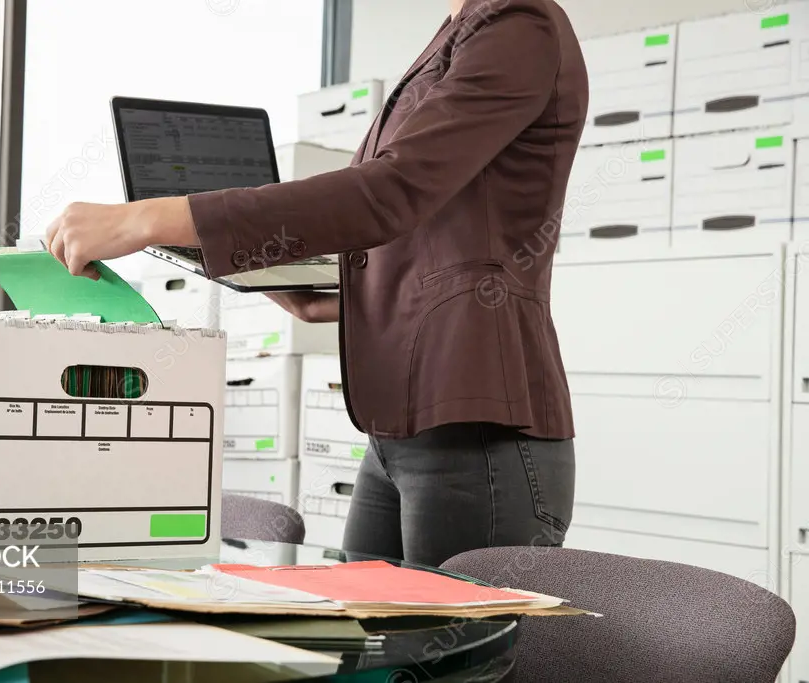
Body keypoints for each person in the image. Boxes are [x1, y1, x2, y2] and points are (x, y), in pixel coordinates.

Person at [45, 0, 588, 568]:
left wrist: (146, 217)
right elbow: (424, 237)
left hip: (478, 427)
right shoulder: (458, 32)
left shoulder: (519, 24)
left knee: (449, 655)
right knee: (361, 641)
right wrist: (315, 289)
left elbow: (387, 193)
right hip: (400, 427)